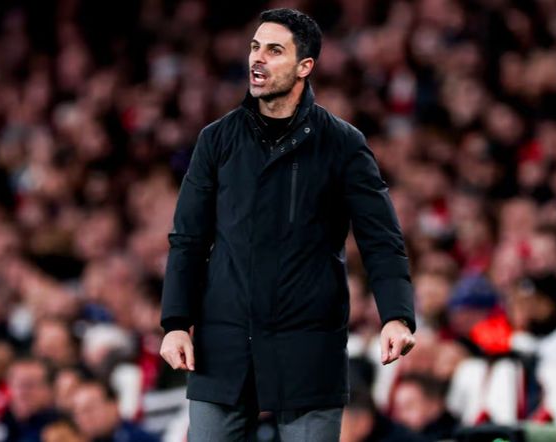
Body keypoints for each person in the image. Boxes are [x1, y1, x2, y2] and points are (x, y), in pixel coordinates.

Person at [159, 8, 416, 441]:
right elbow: (188, 239)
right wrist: (175, 323)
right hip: (224, 342)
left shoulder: (343, 144)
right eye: (254, 47)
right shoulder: (216, 140)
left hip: (308, 344)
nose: (257, 58)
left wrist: (397, 316)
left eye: (274, 50)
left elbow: (381, 240)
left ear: (304, 66)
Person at [70, 379, 159, 442]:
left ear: (114, 405)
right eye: (77, 413)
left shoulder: (138, 438)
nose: (83, 418)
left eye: (89, 409)